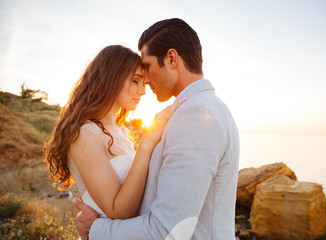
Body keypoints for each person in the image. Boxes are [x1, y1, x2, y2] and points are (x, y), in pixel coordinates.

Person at [73, 18, 240, 240]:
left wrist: (95, 229)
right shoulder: (197, 108)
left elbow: (167, 231)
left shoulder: (197, 114)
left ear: (171, 58)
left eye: (148, 67)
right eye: (136, 79)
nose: (146, 82)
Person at [43, 45, 183, 229]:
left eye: (144, 84)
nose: (142, 91)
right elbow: (119, 211)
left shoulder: (121, 131)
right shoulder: (85, 133)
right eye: (135, 81)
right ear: (111, 77)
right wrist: (147, 143)